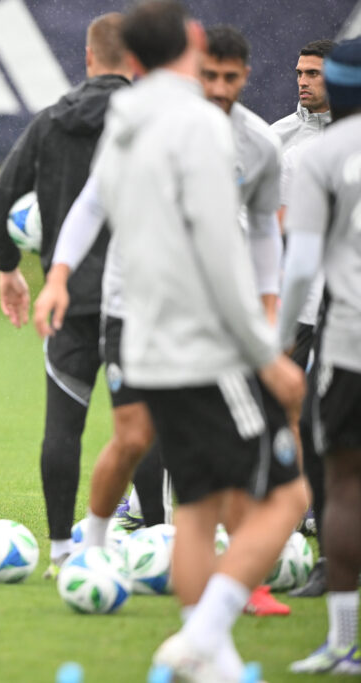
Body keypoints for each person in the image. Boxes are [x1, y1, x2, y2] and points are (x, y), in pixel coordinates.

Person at [36, 22, 294, 618]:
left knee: (220, 454)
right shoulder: (146, 124)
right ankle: (91, 550)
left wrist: (270, 307)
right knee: (134, 438)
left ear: (246, 77)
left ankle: (231, 585)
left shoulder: (260, 144)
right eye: (210, 75)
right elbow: (94, 200)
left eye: (232, 78)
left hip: (216, 319)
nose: (220, 88)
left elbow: (261, 231)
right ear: (192, 70)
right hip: (135, 308)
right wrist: (58, 274)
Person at [0, 13, 133, 578]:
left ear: (89, 59)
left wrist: (9, 269)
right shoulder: (153, 121)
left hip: (67, 299)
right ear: (136, 62)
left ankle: (61, 552)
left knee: (63, 426)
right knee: (137, 427)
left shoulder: (51, 122)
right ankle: (160, 543)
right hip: (137, 299)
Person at [281, 37, 361, 674]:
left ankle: (342, 642)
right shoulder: (291, 139)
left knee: (344, 481)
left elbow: (302, 261)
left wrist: (276, 338)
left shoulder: (325, 154)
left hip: (346, 335)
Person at [272, 38, 337, 599]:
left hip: (346, 314)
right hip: (305, 312)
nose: (303, 82)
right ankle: (298, 507)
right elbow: (280, 242)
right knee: (294, 413)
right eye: (299, 73)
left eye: (313, 73)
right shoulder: (284, 148)